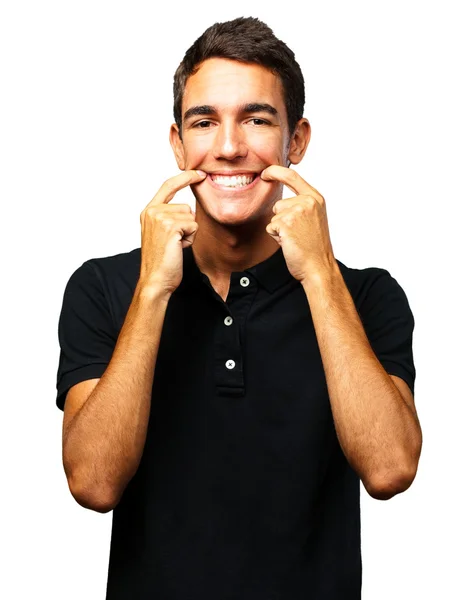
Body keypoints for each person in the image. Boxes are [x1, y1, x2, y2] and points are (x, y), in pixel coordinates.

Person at [56, 16, 422, 600]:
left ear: (295, 141)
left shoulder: (369, 297)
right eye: (205, 122)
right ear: (178, 144)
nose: (228, 147)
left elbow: (390, 470)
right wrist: (153, 289)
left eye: (256, 119)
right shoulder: (104, 287)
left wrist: (319, 273)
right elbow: (94, 484)